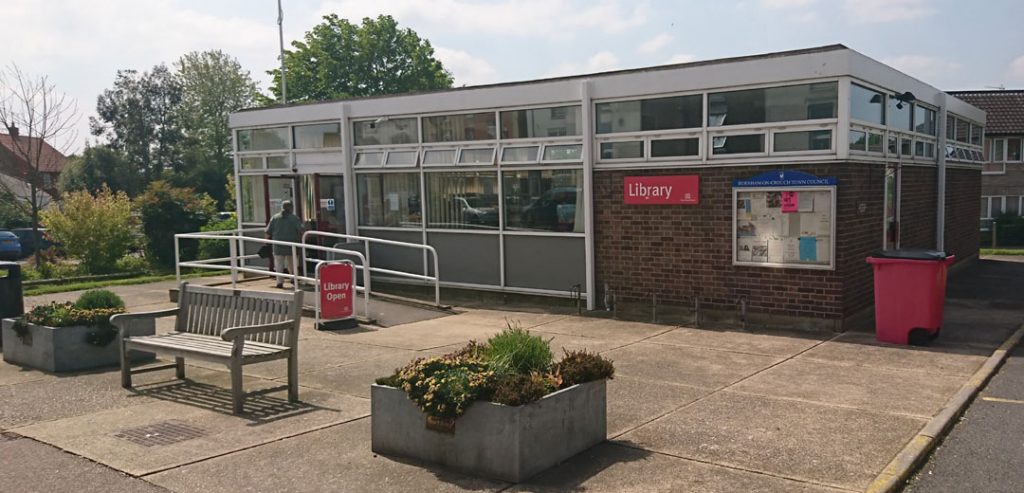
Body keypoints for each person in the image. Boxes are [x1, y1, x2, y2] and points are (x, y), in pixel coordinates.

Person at [265, 200, 305, 288]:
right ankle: (294, 279)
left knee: (279, 264)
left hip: (278, 245)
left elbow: (268, 232)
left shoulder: (275, 218)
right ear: (291, 208)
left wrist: (267, 242)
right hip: (292, 245)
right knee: (292, 263)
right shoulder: (294, 218)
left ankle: (279, 282)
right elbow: (301, 230)